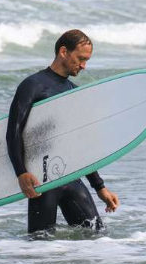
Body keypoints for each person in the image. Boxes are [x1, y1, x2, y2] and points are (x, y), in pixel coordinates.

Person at [6, 29, 120, 234]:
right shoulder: (33, 85)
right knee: (39, 245)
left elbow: (78, 145)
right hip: (43, 182)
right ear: (63, 51)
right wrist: (21, 172)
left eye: (87, 60)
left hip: (70, 178)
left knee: (97, 236)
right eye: (81, 59)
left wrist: (100, 187)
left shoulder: (73, 91)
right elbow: (14, 131)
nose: (84, 66)